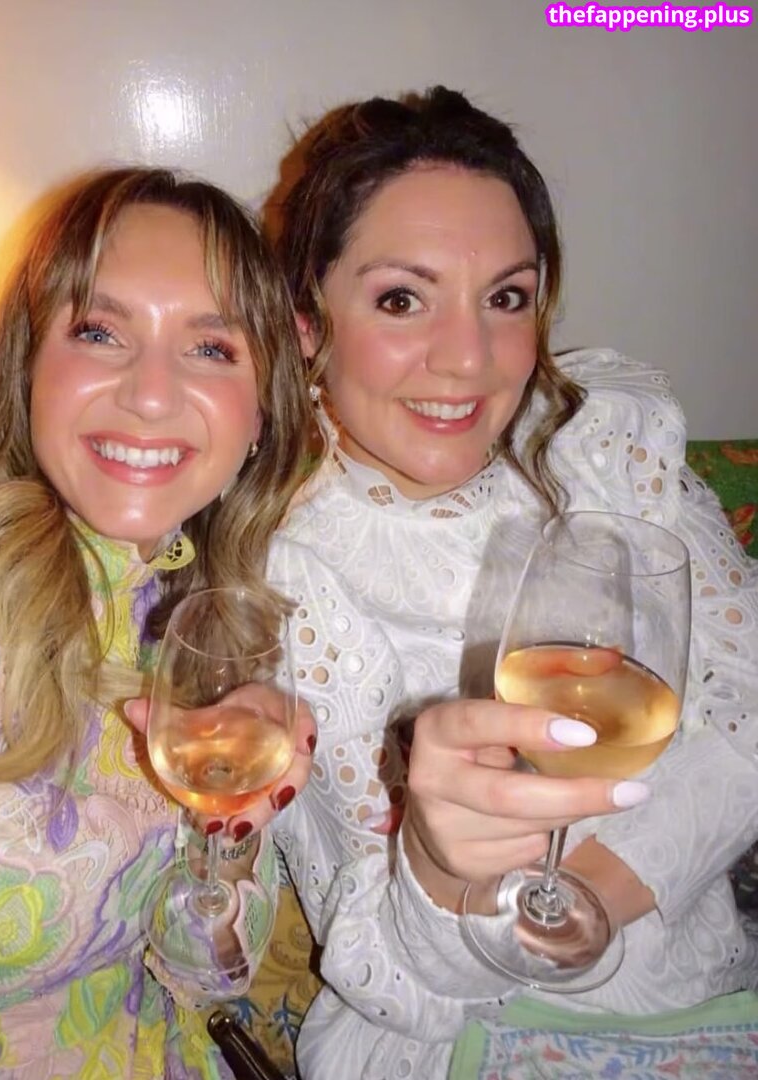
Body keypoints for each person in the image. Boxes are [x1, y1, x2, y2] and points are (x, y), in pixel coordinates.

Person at [263, 87, 758, 1077]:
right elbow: (391, 977)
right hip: (448, 1043)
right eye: (400, 299)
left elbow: (748, 698)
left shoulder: (606, 442)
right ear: (309, 321)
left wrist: (594, 897)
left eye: (505, 298)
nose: (467, 360)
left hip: (700, 1008)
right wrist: (442, 869)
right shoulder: (282, 566)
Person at [0, 167, 316, 1079]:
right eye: (99, 332)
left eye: (211, 348)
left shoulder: (218, 614)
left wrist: (228, 835)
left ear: (260, 414)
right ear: (28, 368)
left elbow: (200, 978)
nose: (151, 394)